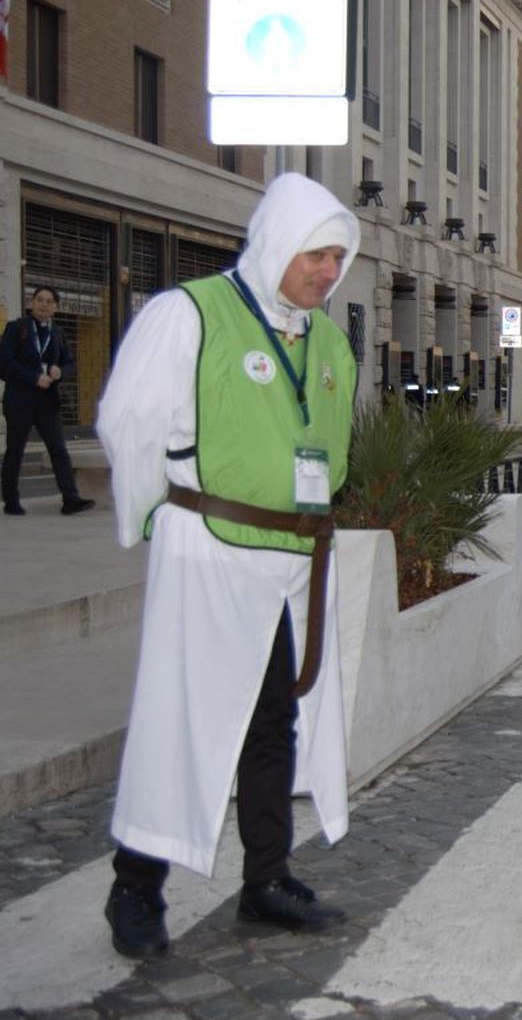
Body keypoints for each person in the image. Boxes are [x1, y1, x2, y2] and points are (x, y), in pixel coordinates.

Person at [94, 173, 360, 959]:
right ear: (277, 244)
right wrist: (153, 515)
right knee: (183, 716)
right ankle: (135, 887)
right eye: (315, 254)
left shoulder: (328, 341)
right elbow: (130, 420)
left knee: (275, 718)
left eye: (337, 257)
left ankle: (266, 878)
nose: (327, 271)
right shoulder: (190, 313)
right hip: (211, 551)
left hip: (295, 561)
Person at [1, 285, 96, 516]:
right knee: (15, 451)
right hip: (19, 401)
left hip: (47, 402)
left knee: (59, 450)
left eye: (49, 301)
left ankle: (70, 499)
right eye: (40, 299)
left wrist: (60, 372)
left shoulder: (58, 332)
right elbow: (4, 363)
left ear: (55, 307)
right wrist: (34, 378)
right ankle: (11, 501)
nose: (44, 304)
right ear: (31, 303)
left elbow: (69, 363)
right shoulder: (16, 328)